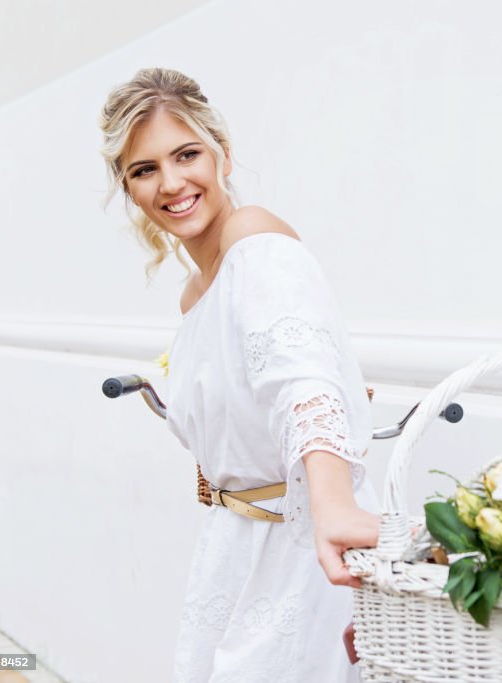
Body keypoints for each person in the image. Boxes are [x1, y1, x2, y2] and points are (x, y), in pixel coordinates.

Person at [99, 67, 379, 682]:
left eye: (186, 154)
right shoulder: (195, 292)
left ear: (223, 155)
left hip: (298, 547)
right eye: (144, 170)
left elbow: (299, 379)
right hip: (234, 550)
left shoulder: (256, 242)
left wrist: (334, 505)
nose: (171, 183)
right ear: (129, 189)